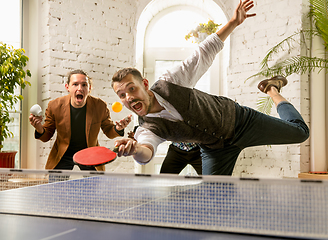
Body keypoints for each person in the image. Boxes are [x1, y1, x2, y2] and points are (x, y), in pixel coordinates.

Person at [110, 0, 309, 175]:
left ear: (144, 84)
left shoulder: (170, 82)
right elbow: (146, 152)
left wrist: (233, 23)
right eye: (122, 95)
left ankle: (272, 90)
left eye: (132, 89)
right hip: (215, 149)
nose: (128, 97)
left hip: (240, 121)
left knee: (300, 133)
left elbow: (203, 53)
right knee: (214, 201)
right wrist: (135, 150)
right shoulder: (147, 128)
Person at [29, 69, 132, 171]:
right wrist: (39, 128)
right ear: (67, 87)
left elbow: (109, 131)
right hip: (63, 153)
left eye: (84, 85)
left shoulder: (100, 106)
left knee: (93, 186)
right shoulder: (54, 106)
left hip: (90, 153)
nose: (80, 88)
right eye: (75, 84)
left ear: (89, 88)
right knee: (56, 187)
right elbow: (46, 135)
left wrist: (118, 128)